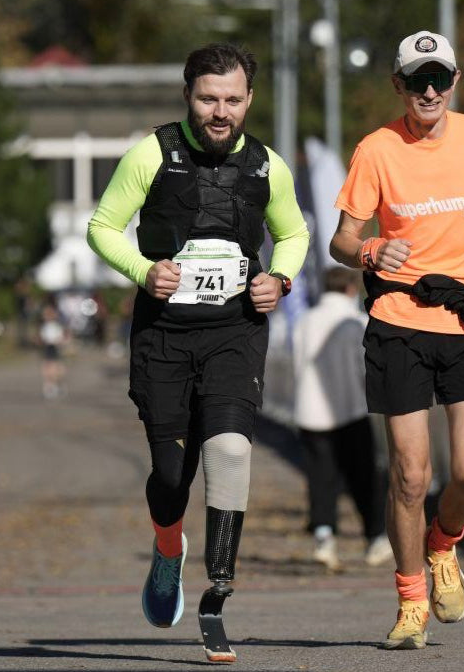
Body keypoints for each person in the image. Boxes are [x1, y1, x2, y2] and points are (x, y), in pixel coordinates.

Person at [87, 43, 309, 663]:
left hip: (234, 332)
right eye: (209, 98)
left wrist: (280, 281)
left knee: (233, 447)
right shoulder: (152, 154)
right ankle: (167, 549)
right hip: (163, 335)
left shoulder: (268, 167)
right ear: (189, 96)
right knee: (168, 475)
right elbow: (102, 226)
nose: (220, 112)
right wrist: (141, 270)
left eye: (232, 100)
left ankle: (217, 591)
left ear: (248, 101)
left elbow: (293, 234)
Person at [329, 30, 464, 650]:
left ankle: (443, 543)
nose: (429, 90)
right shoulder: (377, 149)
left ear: (453, 80)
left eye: (438, 78)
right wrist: (370, 249)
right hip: (399, 322)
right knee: (410, 478)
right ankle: (411, 599)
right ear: (398, 85)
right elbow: (340, 238)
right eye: (416, 79)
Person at [291, 266, 391, 570]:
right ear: (351, 289)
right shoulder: (355, 322)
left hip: (311, 412)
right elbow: (366, 368)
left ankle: (324, 535)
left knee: (320, 478)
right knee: (364, 478)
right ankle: (374, 537)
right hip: (350, 409)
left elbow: (296, 362)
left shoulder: (306, 321)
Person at [38, 299, 69, 399]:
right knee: (47, 367)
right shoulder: (44, 326)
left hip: (55, 348)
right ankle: (49, 386)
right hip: (47, 347)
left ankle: (56, 385)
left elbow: (62, 338)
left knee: (57, 368)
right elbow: (42, 338)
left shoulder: (57, 326)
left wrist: (61, 341)